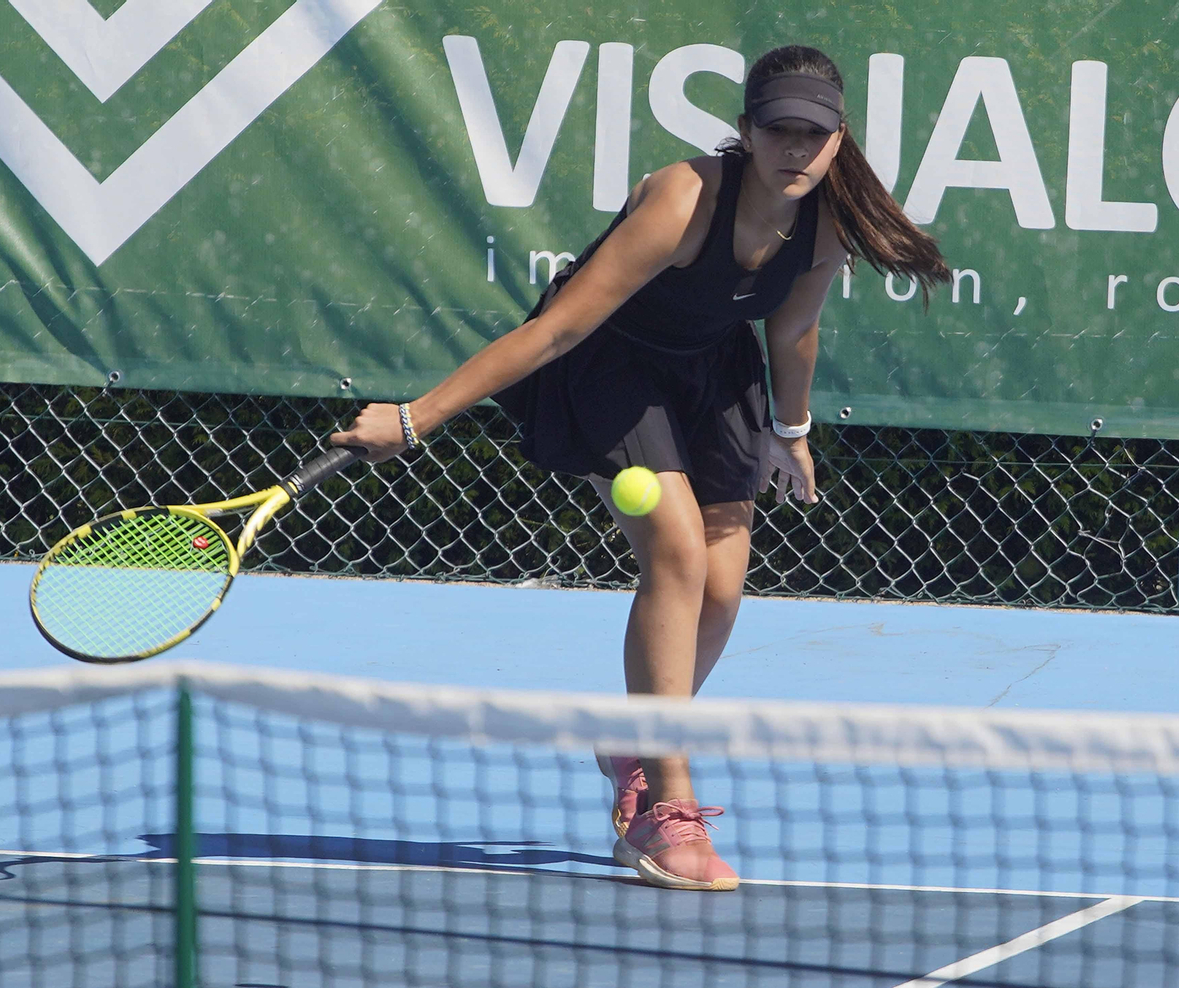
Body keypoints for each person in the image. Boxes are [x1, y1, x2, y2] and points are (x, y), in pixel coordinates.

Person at [332, 45, 951, 891]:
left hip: (711, 370)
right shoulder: (683, 199)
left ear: (840, 140)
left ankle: (634, 736)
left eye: (815, 133)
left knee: (724, 592)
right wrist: (417, 418)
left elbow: (793, 328)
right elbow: (556, 331)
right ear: (746, 131)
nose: (796, 149)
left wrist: (791, 430)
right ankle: (667, 807)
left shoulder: (826, 221)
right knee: (677, 551)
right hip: (608, 363)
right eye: (779, 130)